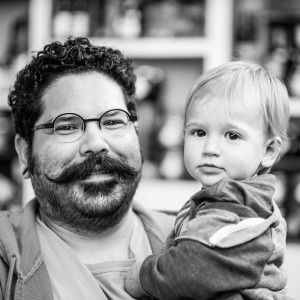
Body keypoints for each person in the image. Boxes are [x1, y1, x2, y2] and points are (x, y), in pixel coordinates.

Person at [0, 37, 175, 300]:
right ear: (25, 153)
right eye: (67, 126)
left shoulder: (200, 239)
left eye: (114, 121)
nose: (96, 144)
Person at [125, 61, 294, 299]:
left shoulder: (233, 207)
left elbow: (185, 273)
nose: (210, 148)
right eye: (199, 132)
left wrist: (140, 276)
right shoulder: (238, 198)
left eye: (232, 135)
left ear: (268, 151)